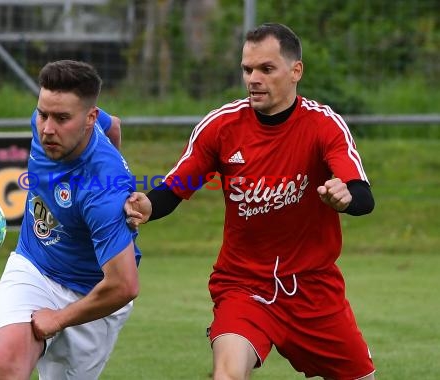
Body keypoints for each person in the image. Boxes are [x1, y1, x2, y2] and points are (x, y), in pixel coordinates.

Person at [125, 23, 376, 380]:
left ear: (295, 71)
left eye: (266, 69)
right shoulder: (222, 127)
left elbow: (363, 196)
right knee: (227, 374)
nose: (253, 78)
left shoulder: (323, 125)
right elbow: (175, 188)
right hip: (243, 286)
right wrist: (149, 206)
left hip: (313, 290)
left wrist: (346, 197)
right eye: (247, 69)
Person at [0, 59, 141, 380]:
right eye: (43, 114)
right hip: (34, 265)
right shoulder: (46, 126)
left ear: (89, 118)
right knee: (7, 361)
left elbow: (124, 285)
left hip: (93, 296)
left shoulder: (105, 191)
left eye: (61, 119)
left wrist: (58, 319)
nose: (47, 129)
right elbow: (113, 125)